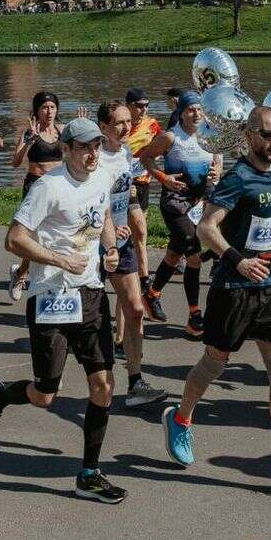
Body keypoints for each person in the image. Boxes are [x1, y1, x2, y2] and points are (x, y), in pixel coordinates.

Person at [161, 106, 271, 491]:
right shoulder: (238, 177)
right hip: (232, 290)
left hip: (269, 289)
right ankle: (181, 418)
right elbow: (206, 227)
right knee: (214, 364)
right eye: (269, 135)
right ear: (251, 134)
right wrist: (238, 261)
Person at [0, 118, 126, 504]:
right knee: (45, 395)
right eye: (86, 147)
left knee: (104, 385)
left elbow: (103, 217)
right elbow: (14, 239)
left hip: (90, 294)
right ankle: (0, 397)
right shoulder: (48, 187)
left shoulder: (102, 177)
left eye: (97, 146)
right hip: (51, 296)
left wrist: (109, 249)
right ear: (68, 149)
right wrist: (57, 258)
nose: (93, 154)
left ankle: (89, 474)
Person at [96, 99, 167, 408]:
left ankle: (135, 382)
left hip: (121, 244)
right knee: (88, 317)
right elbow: (91, 198)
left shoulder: (125, 151)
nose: (126, 127)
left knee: (136, 310)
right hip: (93, 245)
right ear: (103, 128)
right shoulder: (94, 157)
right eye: (118, 123)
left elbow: (128, 189)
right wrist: (109, 226)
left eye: (128, 121)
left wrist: (131, 212)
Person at [139, 89, 222, 335]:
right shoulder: (170, 137)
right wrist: (163, 177)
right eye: (190, 109)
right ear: (182, 113)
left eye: (199, 109)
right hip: (174, 203)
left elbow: (217, 160)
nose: (196, 113)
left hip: (197, 205)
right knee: (194, 257)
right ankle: (194, 315)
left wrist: (217, 170)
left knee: (176, 253)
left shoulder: (211, 135)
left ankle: (152, 294)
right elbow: (145, 158)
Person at [8, 90, 63, 300]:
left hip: (57, 187)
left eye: (52, 107)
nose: (49, 112)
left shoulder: (61, 130)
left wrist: (81, 128)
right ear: (37, 111)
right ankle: (21, 274)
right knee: (31, 235)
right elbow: (15, 162)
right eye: (44, 108)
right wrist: (29, 141)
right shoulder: (29, 132)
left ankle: (28, 273)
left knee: (53, 233)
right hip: (35, 186)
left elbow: (78, 149)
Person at [123, 87, 161, 294]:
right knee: (140, 231)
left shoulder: (152, 125)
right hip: (125, 184)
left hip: (143, 182)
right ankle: (142, 279)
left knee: (137, 232)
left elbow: (163, 145)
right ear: (129, 106)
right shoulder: (121, 125)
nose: (144, 109)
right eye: (139, 106)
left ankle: (130, 266)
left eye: (146, 105)